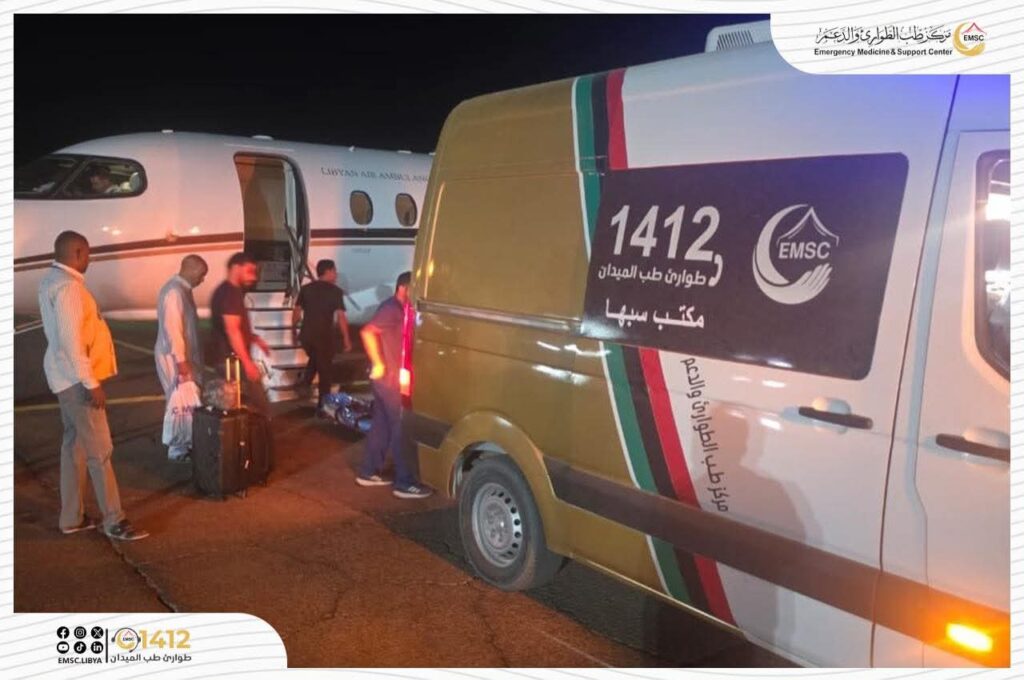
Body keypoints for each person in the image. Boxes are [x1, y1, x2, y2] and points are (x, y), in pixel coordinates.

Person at [37, 230, 148, 540]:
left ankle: (71, 518)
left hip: (63, 377)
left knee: (73, 448)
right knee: (100, 452)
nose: (90, 259)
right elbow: (72, 343)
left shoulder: (50, 280)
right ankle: (115, 520)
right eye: (88, 253)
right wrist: (91, 382)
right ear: (78, 253)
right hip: (77, 382)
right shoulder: (69, 288)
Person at [357, 272, 432, 499]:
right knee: (401, 428)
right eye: (414, 289)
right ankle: (405, 482)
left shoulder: (401, 309)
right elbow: (367, 332)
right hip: (389, 380)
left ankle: (368, 471)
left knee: (382, 426)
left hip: (387, 380)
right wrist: (379, 363)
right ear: (403, 288)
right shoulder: (391, 309)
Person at [155, 255, 209, 461]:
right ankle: (177, 450)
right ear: (192, 269)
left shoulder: (182, 290)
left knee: (189, 404)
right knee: (179, 405)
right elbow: (173, 330)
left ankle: (187, 443)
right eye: (202, 275)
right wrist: (181, 362)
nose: (202, 280)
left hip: (185, 358)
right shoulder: (174, 293)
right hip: (175, 359)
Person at [209, 251, 272, 417]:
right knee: (258, 406)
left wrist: (254, 339)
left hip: (230, 359)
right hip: (232, 361)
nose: (254, 277)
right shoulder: (230, 294)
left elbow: (234, 327)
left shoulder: (228, 291)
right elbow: (232, 330)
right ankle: (259, 431)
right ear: (236, 268)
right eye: (250, 271)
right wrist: (247, 363)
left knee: (242, 404)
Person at [292, 259, 353, 410]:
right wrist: (346, 338)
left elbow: (297, 312)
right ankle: (322, 407)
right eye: (334, 271)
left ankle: (305, 383)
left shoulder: (306, 289)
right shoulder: (335, 291)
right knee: (325, 373)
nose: (336, 274)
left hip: (307, 336)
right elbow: (341, 317)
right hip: (324, 336)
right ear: (329, 271)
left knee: (316, 358)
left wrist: (293, 331)